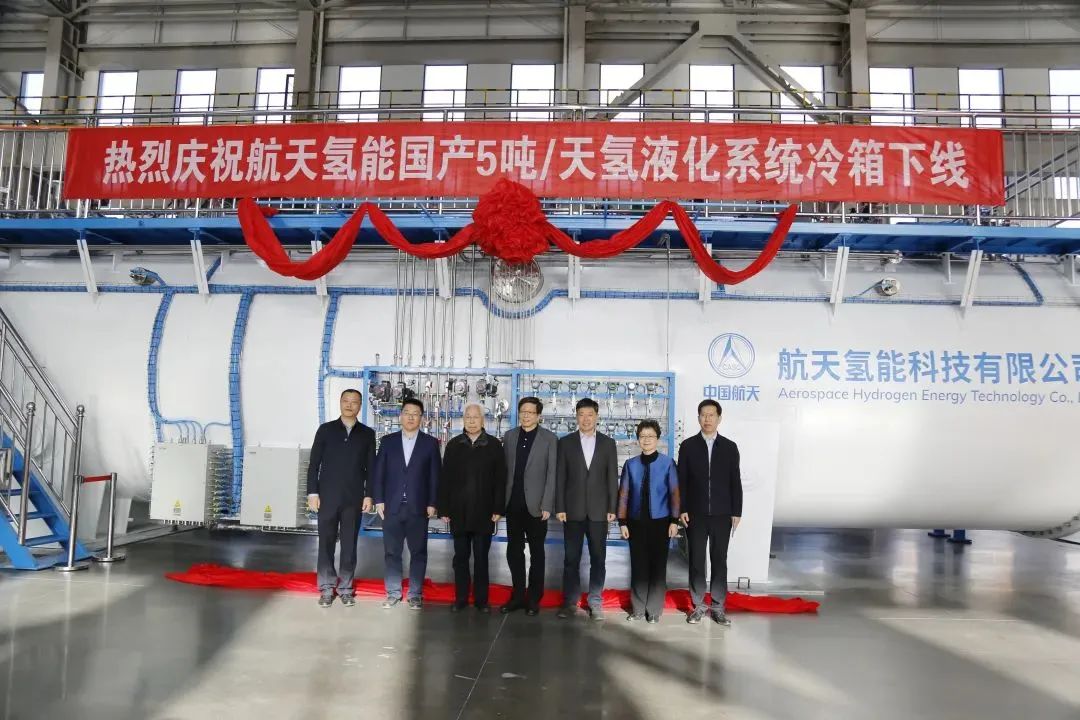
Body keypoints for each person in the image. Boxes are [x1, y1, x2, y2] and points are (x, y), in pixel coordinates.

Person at [307, 389, 376, 608]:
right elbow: (314, 464)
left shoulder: (367, 434)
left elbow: (371, 469)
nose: (349, 405)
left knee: (349, 544)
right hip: (327, 497)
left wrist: (369, 495)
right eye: (346, 401)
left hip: (353, 498)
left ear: (360, 406)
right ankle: (327, 588)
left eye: (354, 402)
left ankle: (346, 588)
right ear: (340, 403)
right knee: (326, 542)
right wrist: (312, 493)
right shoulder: (326, 430)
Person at [678, 399, 742, 626]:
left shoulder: (730, 447)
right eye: (703, 415)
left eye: (711, 415)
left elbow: (735, 481)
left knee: (719, 560)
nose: (707, 419)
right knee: (696, 560)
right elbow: (681, 481)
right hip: (695, 514)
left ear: (719, 418)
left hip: (723, 514)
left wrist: (736, 511)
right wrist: (682, 509)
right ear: (698, 418)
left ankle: (718, 607)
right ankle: (698, 606)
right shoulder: (688, 446)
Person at [372, 397, 441, 610]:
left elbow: (435, 476)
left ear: (422, 418)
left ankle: (415, 594)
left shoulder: (430, 443)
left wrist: (432, 502)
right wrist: (379, 499)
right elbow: (379, 473)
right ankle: (393, 593)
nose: (411, 417)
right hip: (391, 506)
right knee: (392, 552)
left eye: (415, 414)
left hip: (418, 507)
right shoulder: (388, 441)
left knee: (418, 552)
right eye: (407, 413)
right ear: (400, 416)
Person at [437, 403, 507, 613]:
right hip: (458, 512)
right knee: (460, 558)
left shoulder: (494, 445)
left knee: (481, 558)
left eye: (476, 417)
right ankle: (461, 598)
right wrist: (444, 508)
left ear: (483, 420)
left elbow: (500, 479)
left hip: (485, 512)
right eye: (468, 417)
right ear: (463, 419)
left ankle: (481, 600)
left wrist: (498, 508)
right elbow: (445, 479)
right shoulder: (454, 445)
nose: (472, 421)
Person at [555, 398, 618, 620]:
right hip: (572, 510)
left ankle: (595, 602)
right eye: (581, 414)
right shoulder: (566, 443)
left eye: (590, 414)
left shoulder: (608, 443)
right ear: (576, 417)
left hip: (599, 511)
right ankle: (570, 602)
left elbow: (612, 477)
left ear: (597, 416)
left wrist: (612, 507)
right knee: (571, 559)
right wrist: (560, 506)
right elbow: (560, 477)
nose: (586, 419)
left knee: (598, 558)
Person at [617, 419, 680, 623]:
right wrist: (622, 522)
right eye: (642, 436)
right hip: (635, 522)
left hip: (661, 522)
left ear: (658, 439)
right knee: (638, 566)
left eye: (650, 436)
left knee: (658, 566)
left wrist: (674, 521)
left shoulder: (667, 463)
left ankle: (653, 610)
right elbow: (624, 494)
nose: (646, 440)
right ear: (638, 439)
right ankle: (637, 608)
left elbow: (675, 493)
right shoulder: (631, 464)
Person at [501, 396, 557, 616]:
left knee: (537, 554)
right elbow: (505, 470)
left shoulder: (549, 439)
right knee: (514, 552)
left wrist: (547, 503)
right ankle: (517, 596)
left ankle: (534, 598)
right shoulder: (510, 436)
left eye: (530, 412)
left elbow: (552, 473)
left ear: (538, 415)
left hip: (537, 507)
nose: (525, 415)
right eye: (522, 411)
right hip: (513, 504)